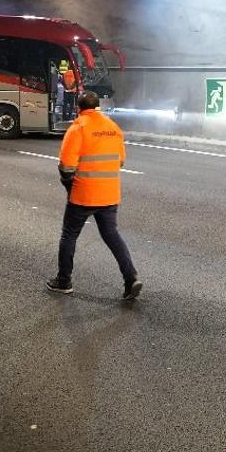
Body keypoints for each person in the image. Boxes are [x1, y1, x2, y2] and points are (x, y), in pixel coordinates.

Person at [47, 91, 142, 300]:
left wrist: (67, 185)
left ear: (79, 108)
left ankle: (64, 281)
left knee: (69, 235)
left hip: (83, 193)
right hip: (109, 193)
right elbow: (120, 162)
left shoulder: (78, 127)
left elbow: (67, 166)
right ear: (97, 106)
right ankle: (130, 277)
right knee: (111, 235)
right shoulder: (113, 127)